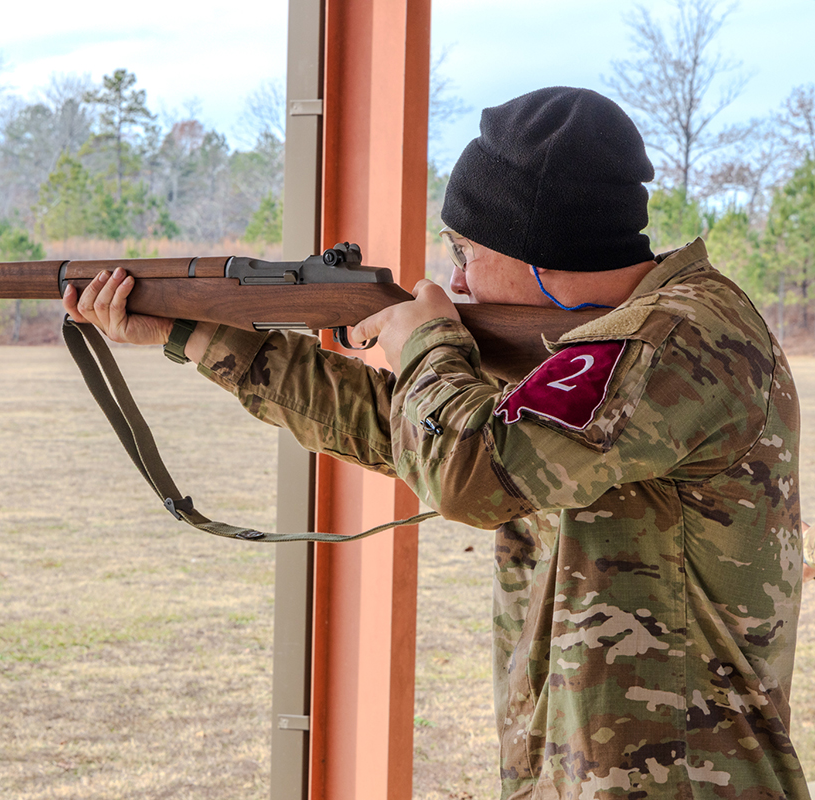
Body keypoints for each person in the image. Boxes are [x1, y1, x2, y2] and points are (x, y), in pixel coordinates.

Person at [64, 86, 808, 798]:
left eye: (464, 250)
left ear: (536, 248)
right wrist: (195, 332)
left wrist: (427, 344)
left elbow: (469, 473)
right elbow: (408, 432)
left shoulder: (672, 340)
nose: (457, 280)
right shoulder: (605, 345)